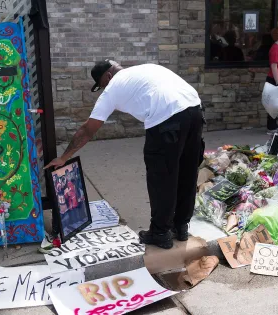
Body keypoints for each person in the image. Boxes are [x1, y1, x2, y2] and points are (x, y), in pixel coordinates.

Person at [45, 60, 204, 249]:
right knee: (187, 172)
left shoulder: (113, 87)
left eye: (101, 85)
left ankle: (161, 233)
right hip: (195, 110)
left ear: (108, 76)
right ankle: (181, 226)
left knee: (162, 177)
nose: (103, 90)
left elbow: (88, 130)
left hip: (166, 117)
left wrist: (63, 157)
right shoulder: (147, 68)